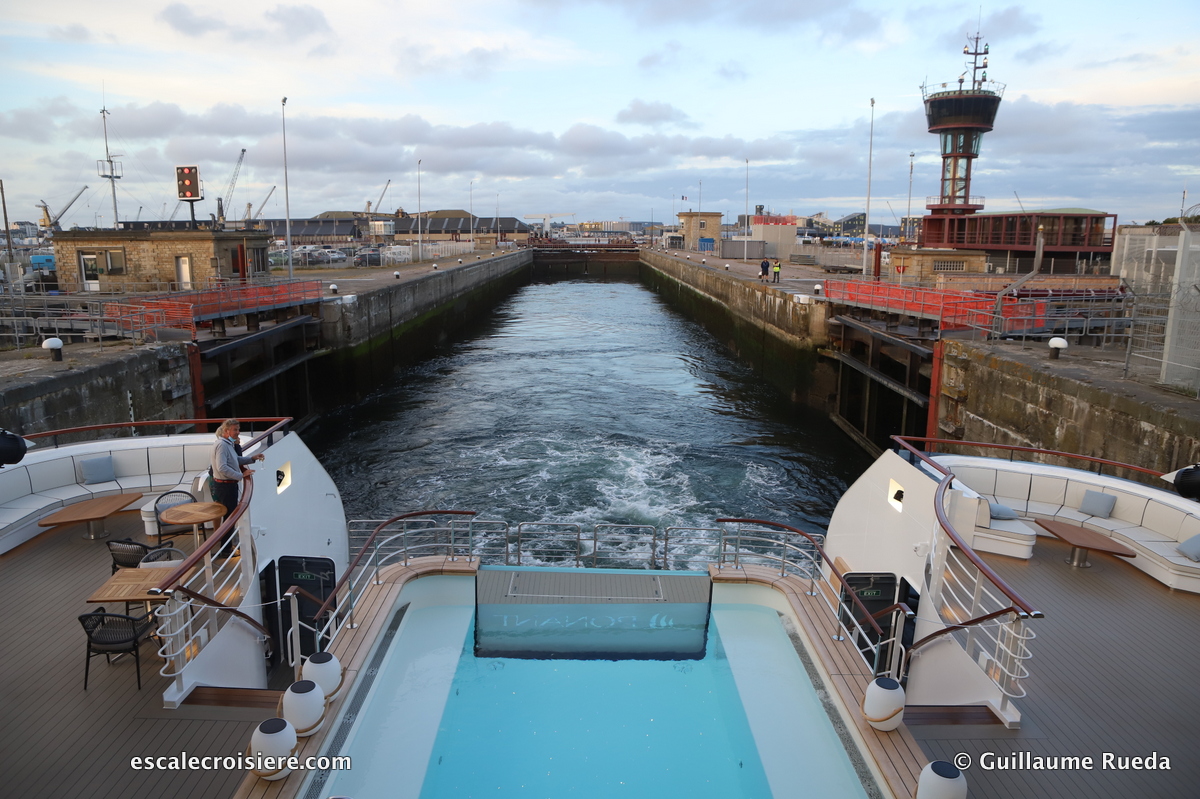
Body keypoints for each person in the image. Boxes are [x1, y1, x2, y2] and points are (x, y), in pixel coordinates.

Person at [210, 419, 264, 518]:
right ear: (226, 431)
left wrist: (252, 458)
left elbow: (235, 459)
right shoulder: (222, 445)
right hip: (225, 487)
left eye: (238, 430)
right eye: (235, 430)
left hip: (228, 486)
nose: (238, 432)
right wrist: (241, 475)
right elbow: (222, 467)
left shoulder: (227, 444)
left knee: (230, 515)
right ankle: (226, 534)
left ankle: (227, 533)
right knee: (230, 517)